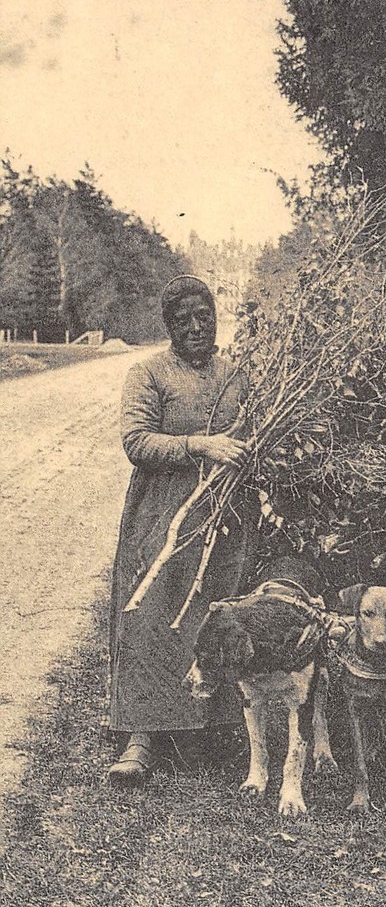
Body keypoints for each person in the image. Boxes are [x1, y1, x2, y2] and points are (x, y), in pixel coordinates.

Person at [107, 275, 253, 783]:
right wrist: (199, 445)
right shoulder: (148, 373)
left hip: (223, 515)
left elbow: (252, 437)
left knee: (214, 612)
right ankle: (140, 739)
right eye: (182, 320)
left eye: (203, 316)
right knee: (152, 614)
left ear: (215, 318)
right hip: (162, 513)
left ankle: (210, 731)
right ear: (168, 326)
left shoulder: (237, 375)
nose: (195, 327)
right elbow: (136, 442)